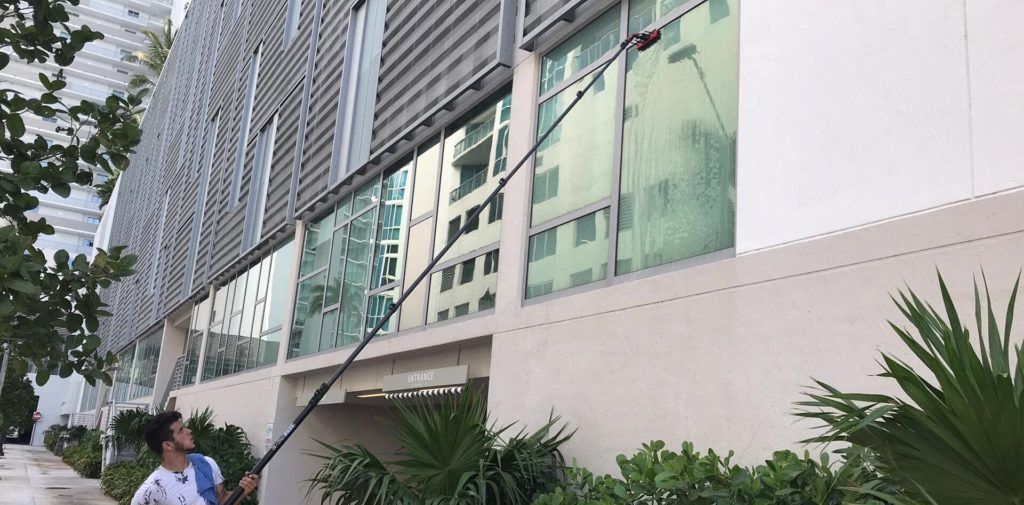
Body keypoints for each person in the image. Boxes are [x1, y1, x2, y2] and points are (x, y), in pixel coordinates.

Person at [131, 411, 259, 505]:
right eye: (181, 430)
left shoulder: (206, 464)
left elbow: (222, 500)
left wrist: (243, 490)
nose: (189, 431)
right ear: (168, 445)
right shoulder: (151, 490)